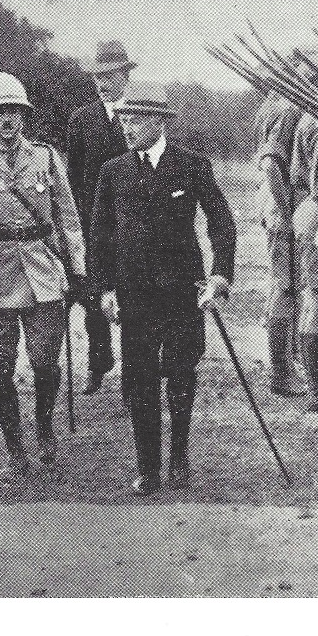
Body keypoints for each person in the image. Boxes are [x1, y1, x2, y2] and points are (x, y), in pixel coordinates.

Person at [91, 82, 236, 495]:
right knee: (139, 380)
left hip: (181, 293)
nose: (126, 126)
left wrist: (220, 277)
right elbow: (99, 237)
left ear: (158, 121)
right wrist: (103, 290)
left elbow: (221, 223)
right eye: (122, 119)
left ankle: (179, 455)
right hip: (133, 296)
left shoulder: (191, 166)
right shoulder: (113, 170)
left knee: (181, 373)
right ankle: (148, 467)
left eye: (134, 119)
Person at [0, 72, 86, 475]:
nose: (6, 119)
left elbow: (68, 217)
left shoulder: (46, 158)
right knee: (0, 369)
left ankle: (44, 425)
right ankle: (14, 445)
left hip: (41, 270)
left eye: (13, 111)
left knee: (46, 363)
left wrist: (77, 270)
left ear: (23, 116)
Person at [65, 41, 135, 395]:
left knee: (134, 300)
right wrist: (78, 223)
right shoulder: (82, 120)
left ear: (125, 75)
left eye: (110, 75)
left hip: (134, 227)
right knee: (94, 299)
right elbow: (73, 178)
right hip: (95, 226)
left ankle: (133, 373)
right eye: (97, 77)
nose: (103, 83)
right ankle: (99, 363)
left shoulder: (141, 116)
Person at [254, 88, 307, 396]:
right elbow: (272, 164)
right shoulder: (290, 110)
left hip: (275, 204)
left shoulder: (272, 106)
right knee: (284, 289)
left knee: (284, 288)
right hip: (281, 208)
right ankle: (281, 375)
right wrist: (288, 211)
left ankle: (285, 367)